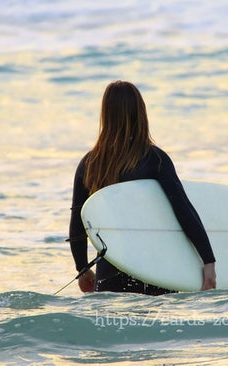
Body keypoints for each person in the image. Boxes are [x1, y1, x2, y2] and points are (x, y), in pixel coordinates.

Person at [68, 80, 216, 295]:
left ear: (106, 115)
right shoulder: (154, 159)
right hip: (154, 268)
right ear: (141, 112)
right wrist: (208, 260)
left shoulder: (89, 163)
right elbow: (183, 210)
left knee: (114, 326)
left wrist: (82, 269)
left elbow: (78, 223)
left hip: (110, 271)